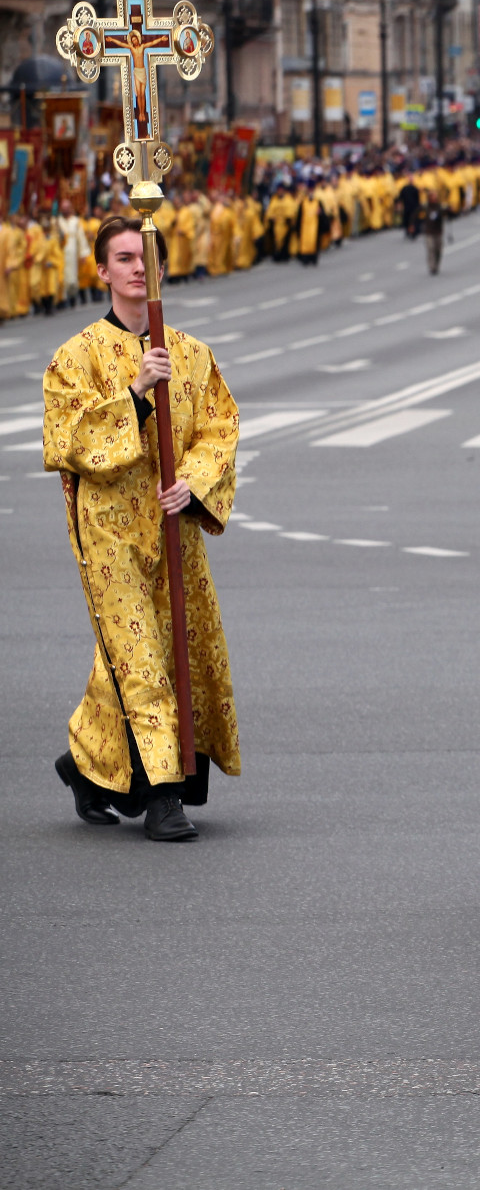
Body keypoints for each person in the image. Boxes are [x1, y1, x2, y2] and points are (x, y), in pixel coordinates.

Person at [46, 217, 242, 841]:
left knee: (178, 645)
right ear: (102, 271)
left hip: (171, 522)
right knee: (138, 655)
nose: (137, 268)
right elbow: (66, 441)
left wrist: (196, 481)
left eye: (146, 258)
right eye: (124, 258)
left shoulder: (191, 354)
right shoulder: (74, 357)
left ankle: (87, 764)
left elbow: (219, 429)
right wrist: (133, 393)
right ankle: (164, 796)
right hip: (110, 532)